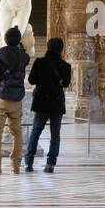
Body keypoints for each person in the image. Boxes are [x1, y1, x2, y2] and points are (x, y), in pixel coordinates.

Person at [0, 26, 31, 175]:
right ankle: (15, 166)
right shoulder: (24, 57)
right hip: (16, 100)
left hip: (1, 99)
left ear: (5, 39)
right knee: (17, 133)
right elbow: (22, 52)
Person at [24, 37, 72, 173]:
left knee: (35, 131)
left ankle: (28, 162)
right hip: (56, 102)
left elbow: (32, 80)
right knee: (55, 134)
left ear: (48, 47)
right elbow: (66, 84)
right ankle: (50, 163)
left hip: (42, 101)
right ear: (61, 49)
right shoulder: (66, 66)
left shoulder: (39, 62)